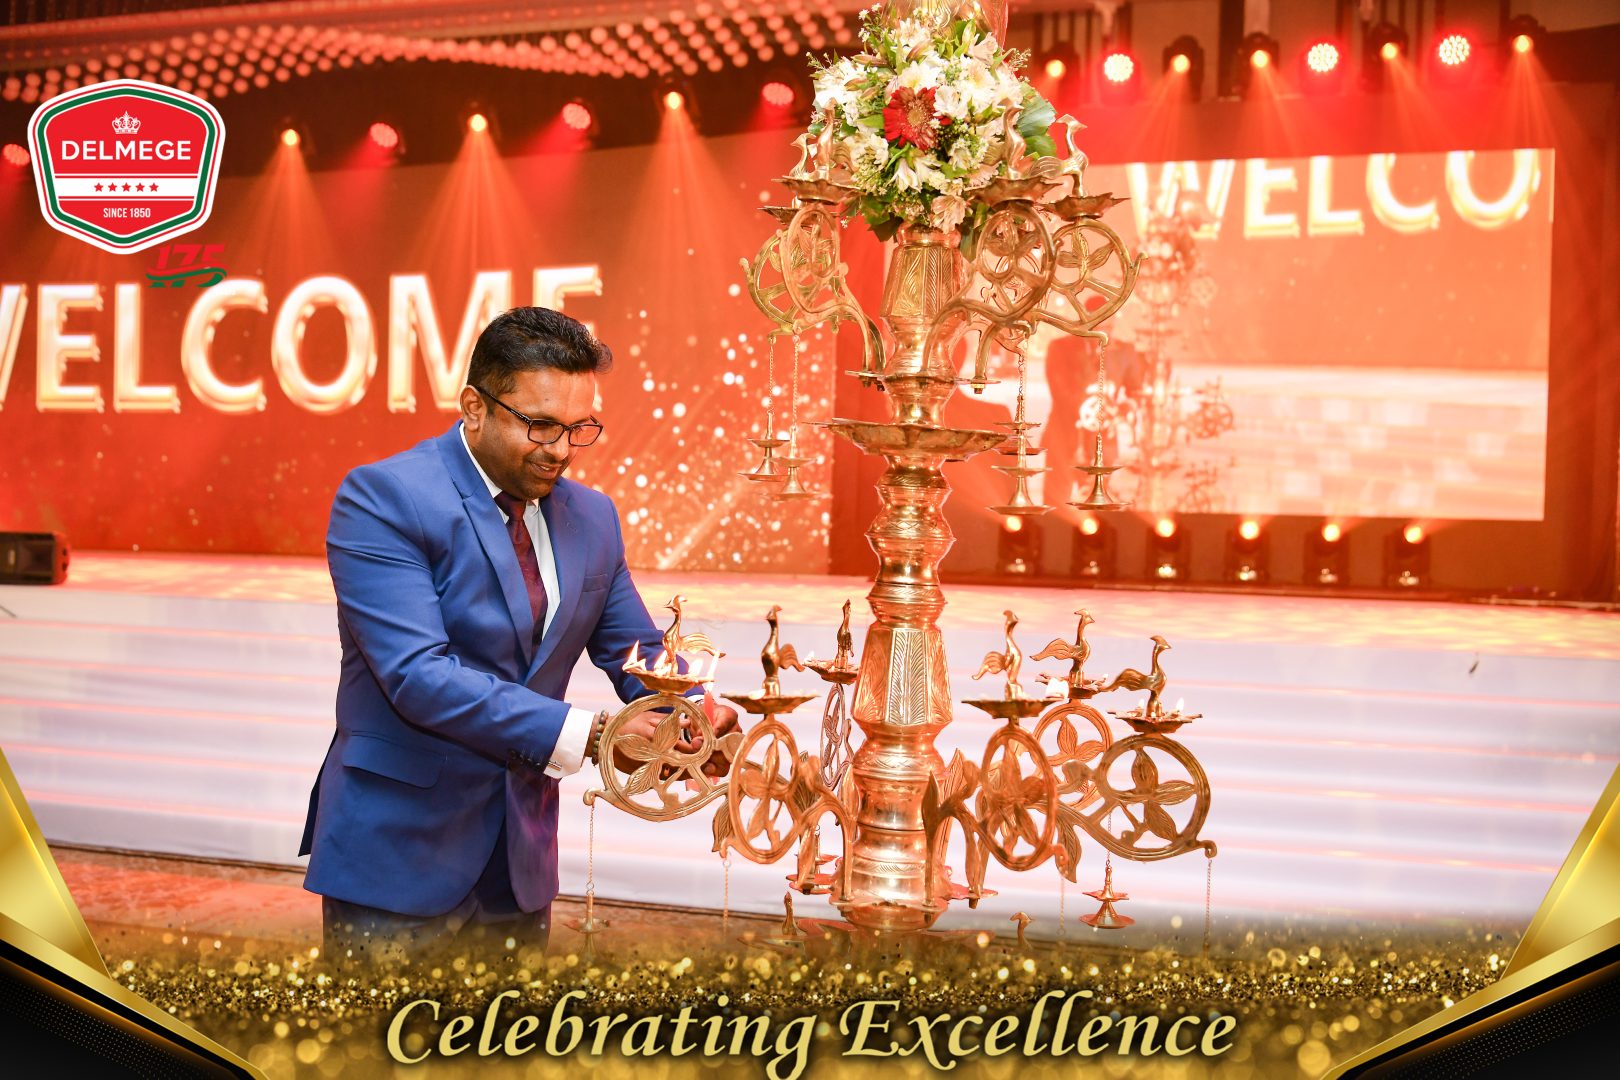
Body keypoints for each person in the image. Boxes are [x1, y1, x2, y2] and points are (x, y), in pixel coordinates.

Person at [298, 306, 738, 965]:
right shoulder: (385, 497)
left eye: (579, 428)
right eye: (540, 425)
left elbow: (638, 653)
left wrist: (696, 712)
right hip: (398, 852)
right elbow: (418, 676)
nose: (560, 450)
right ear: (474, 407)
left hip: (520, 860)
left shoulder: (592, 517)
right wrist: (594, 736)